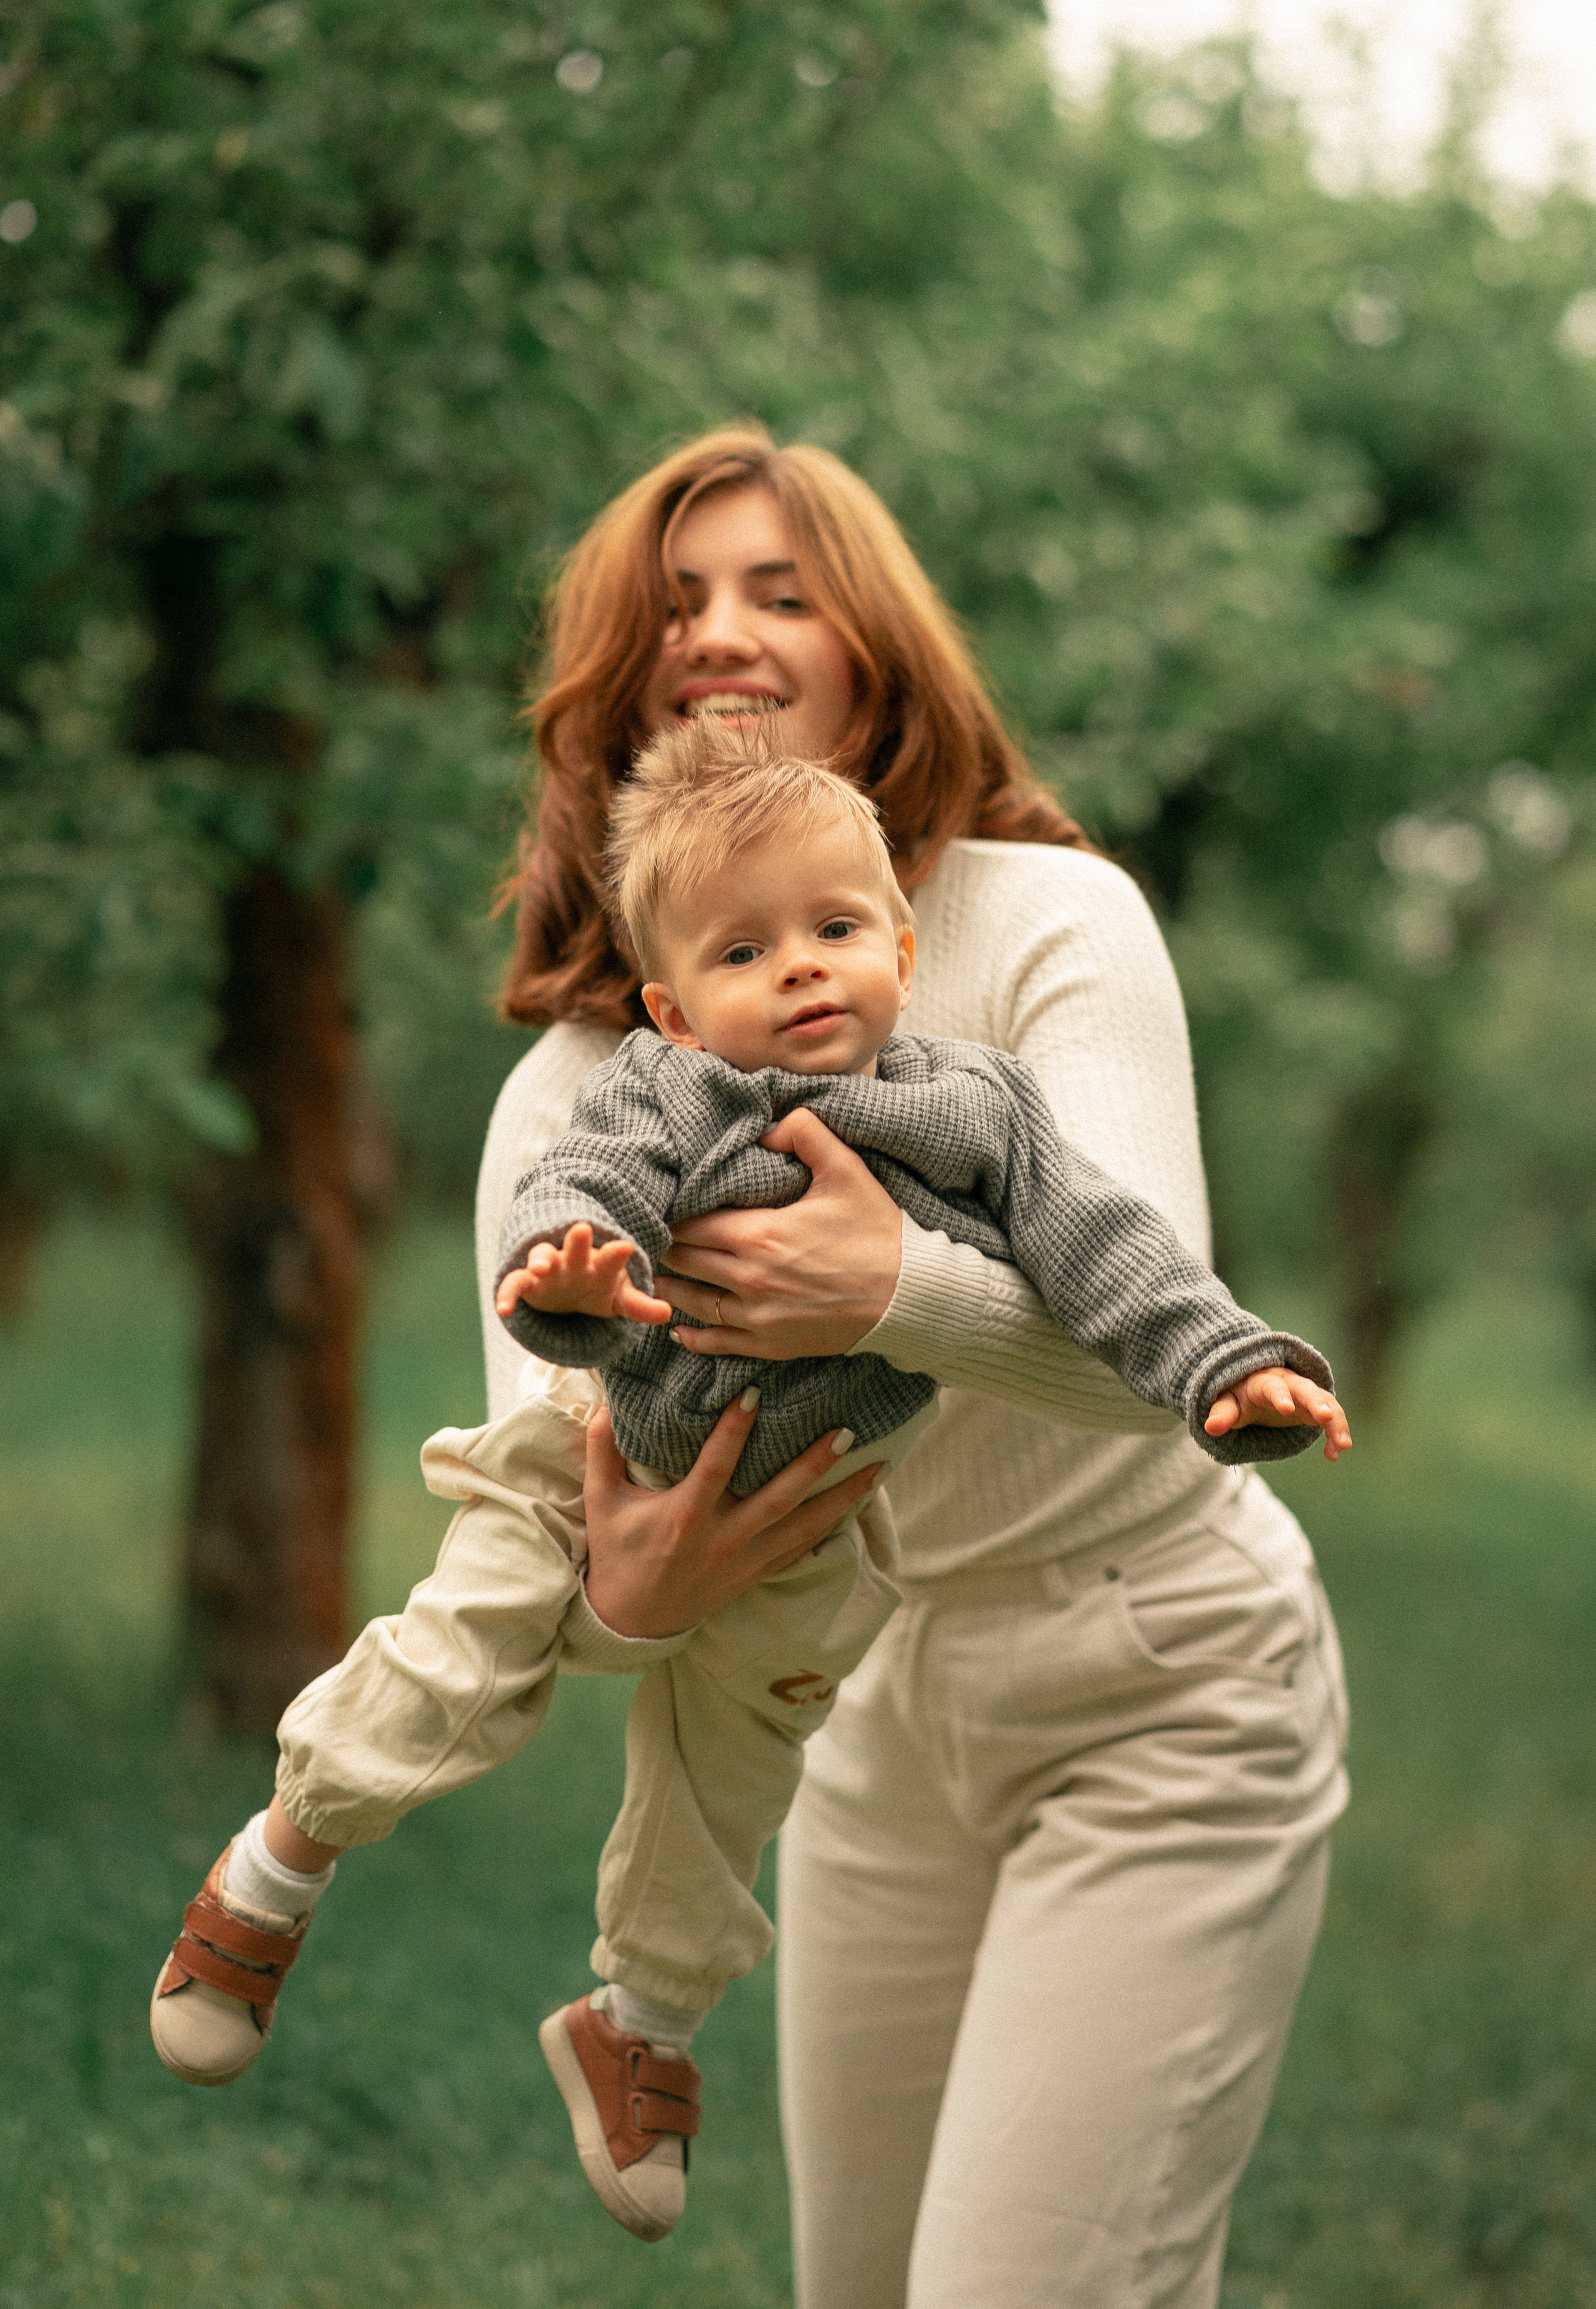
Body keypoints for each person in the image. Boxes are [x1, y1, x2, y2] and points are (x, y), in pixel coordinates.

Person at [147, 718, 1350, 2252]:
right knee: (465, 1654)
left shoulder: (976, 1112)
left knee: (729, 1783)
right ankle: (275, 1867)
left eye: (834, 930)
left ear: (901, 955)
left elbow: (1103, 1253)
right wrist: (569, 1277)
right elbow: (579, 1195)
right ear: (671, 1002)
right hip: (586, 1472)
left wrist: (1224, 1365)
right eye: (743, 949)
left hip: (808, 1531)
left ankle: (639, 2021)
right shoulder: (667, 1089)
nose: (798, 967)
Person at [473, 428, 1352, 2309]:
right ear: (622, 697)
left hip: (1161, 1689)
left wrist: (883, 1286)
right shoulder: (579, 1100)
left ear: (875, 646)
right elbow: (558, 1522)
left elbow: (1153, 1327)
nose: (723, 629)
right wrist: (621, 1594)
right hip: (858, 1717)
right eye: (677, 603)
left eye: (783, 591)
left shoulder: (1052, 923)